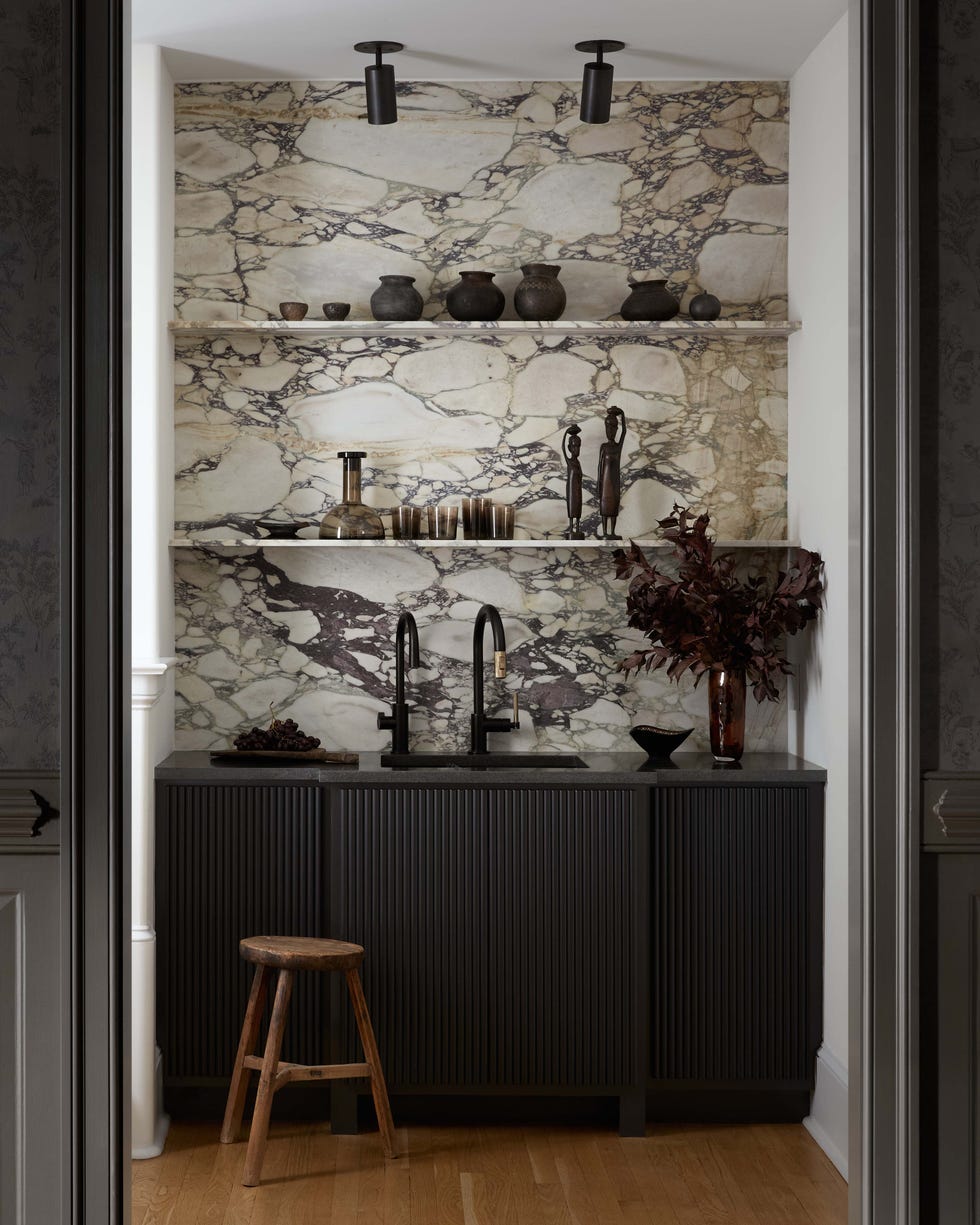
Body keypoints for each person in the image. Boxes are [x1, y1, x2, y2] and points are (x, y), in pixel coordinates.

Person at [597, 405, 626, 539]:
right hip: (605, 482)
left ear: (616, 429)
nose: (610, 431)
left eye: (613, 428)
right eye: (608, 428)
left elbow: (625, 431)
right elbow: (599, 466)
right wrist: (598, 484)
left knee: (613, 508)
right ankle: (604, 532)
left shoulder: (618, 447)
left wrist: (622, 415)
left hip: (614, 482)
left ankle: (612, 532)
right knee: (604, 508)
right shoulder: (604, 447)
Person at [562, 423, 584, 538]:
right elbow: (562, 447)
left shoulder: (578, 463)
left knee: (578, 508)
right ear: (569, 448)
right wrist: (567, 432)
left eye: (579, 446)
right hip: (571, 489)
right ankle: (571, 527)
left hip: (578, 489)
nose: (577, 449)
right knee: (572, 508)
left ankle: (578, 528)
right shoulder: (569, 461)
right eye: (574, 446)